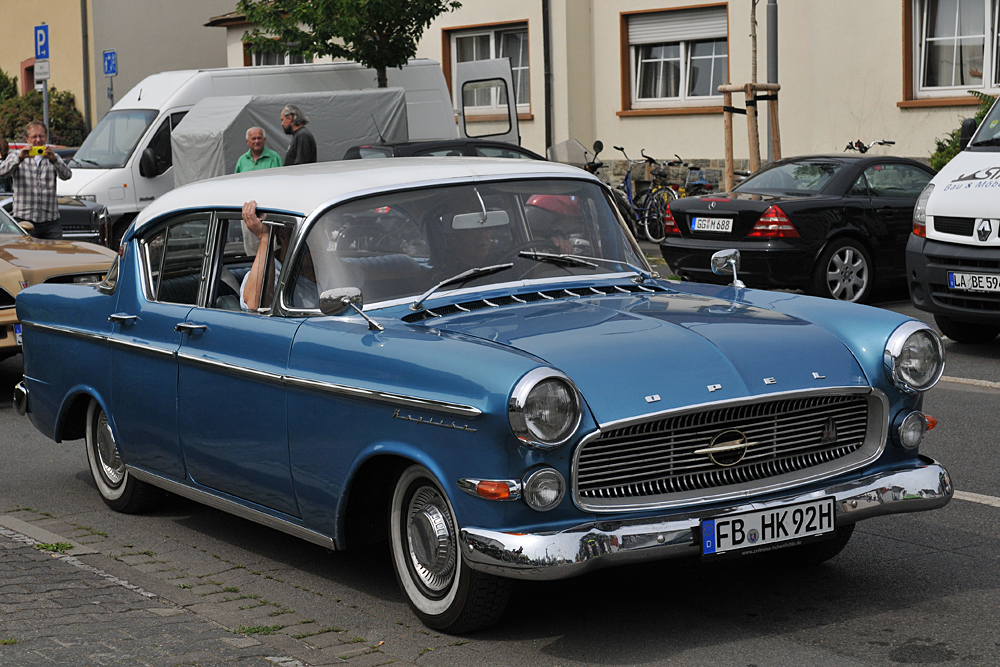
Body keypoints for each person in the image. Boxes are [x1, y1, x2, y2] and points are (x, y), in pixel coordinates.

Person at [239, 200, 317, 311]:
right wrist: (265, 237)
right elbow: (254, 305)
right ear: (284, 237)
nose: (317, 244)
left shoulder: (327, 268)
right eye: (311, 237)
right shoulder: (274, 275)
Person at [0, 121, 72, 238]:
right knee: (26, 255)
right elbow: (2, 172)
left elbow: (67, 175)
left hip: (50, 221)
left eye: (41, 136)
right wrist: (19, 158)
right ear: (27, 139)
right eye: (34, 137)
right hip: (25, 220)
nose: (38, 140)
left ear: (46, 137)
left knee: (54, 254)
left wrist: (54, 160)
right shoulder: (17, 155)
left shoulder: (53, 157)